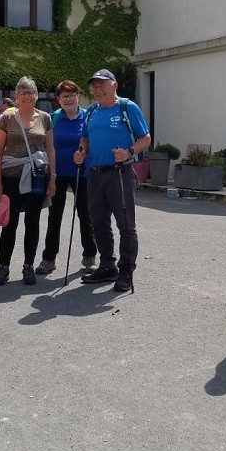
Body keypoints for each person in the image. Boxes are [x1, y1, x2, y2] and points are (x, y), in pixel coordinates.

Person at [74, 69, 151, 293]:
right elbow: (85, 138)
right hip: (95, 173)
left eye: (102, 85)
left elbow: (145, 138)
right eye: (94, 86)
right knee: (98, 222)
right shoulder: (91, 112)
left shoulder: (127, 107)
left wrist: (129, 152)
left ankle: (126, 270)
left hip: (120, 172)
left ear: (114, 85)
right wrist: (81, 152)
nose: (98, 90)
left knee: (125, 224)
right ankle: (107, 266)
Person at [0, 77, 56, 286]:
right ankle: (3, 266)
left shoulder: (45, 118)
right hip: (11, 177)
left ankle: (28, 266)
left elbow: (50, 150)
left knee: (33, 222)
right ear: (16, 97)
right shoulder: (8, 118)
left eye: (31, 92)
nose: (27, 96)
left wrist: (52, 178)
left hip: (37, 177)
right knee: (9, 223)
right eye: (23, 92)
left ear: (37, 95)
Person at [37, 80, 98, 274]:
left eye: (72, 95)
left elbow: (93, 142)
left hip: (83, 173)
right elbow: (46, 146)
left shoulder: (88, 116)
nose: (69, 99)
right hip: (57, 174)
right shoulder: (53, 118)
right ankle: (49, 259)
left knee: (85, 215)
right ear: (58, 100)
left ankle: (90, 255)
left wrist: (85, 154)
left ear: (78, 96)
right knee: (54, 216)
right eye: (64, 96)